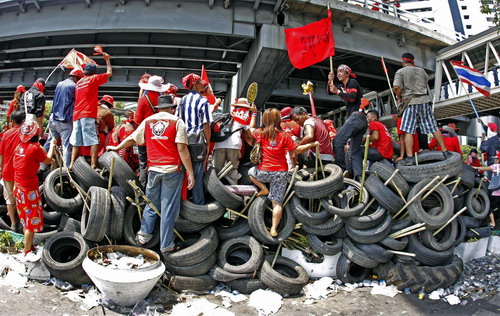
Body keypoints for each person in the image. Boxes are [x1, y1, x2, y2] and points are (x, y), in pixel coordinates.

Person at [107, 94, 194, 257]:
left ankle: (143, 236)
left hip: (153, 169)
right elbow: (182, 149)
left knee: (151, 203)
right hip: (171, 170)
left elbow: (132, 139)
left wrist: (115, 147)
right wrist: (190, 172)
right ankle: (167, 245)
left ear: (158, 108)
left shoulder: (147, 122)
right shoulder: (177, 122)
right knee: (168, 208)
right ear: (171, 108)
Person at [247, 108, 319, 237]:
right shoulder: (284, 135)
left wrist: (253, 113)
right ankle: (274, 229)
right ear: (278, 120)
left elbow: (250, 130)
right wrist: (312, 144)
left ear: (264, 119)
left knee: (251, 171)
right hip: (281, 173)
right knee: (277, 203)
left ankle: (263, 188)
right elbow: (297, 150)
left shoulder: (260, 133)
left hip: (264, 172)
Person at [394, 53, 452, 166]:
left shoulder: (400, 72)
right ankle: (446, 152)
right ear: (412, 61)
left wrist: (399, 96)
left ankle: (410, 158)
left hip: (410, 103)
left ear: (403, 61)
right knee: (434, 127)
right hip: (425, 101)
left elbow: (396, 87)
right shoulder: (422, 71)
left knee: (408, 130)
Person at [13, 119, 57, 260]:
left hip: (18, 189)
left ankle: (29, 246)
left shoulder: (19, 147)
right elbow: (48, 160)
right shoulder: (34, 148)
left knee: (25, 220)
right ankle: (27, 252)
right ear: (36, 134)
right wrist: (52, 146)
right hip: (28, 190)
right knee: (31, 223)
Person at [69, 53, 112, 170]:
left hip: (76, 115)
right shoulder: (93, 79)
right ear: (94, 72)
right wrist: (107, 60)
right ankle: (93, 164)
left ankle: (71, 164)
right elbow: (109, 74)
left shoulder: (78, 83)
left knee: (76, 141)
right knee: (93, 140)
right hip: (87, 114)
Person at [177, 73, 212, 205]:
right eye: (200, 82)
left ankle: (182, 202)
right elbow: (206, 125)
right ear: (195, 84)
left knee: (182, 172)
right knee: (197, 175)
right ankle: (198, 206)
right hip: (197, 142)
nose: (202, 84)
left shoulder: (181, 100)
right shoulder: (203, 101)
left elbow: (178, 121)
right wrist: (208, 144)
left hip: (182, 141)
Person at [328, 64, 367, 181]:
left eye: (341, 72)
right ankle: (358, 178)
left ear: (347, 73)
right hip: (361, 120)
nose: (338, 74)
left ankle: (342, 170)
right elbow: (330, 91)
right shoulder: (342, 86)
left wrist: (338, 92)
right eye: (337, 72)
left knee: (338, 141)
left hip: (356, 117)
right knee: (354, 151)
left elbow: (352, 98)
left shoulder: (352, 82)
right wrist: (330, 80)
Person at [134, 75, 172, 188]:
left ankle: (144, 189)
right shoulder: (164, 100)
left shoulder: (143, 100)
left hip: (146, 138)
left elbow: (137, 120)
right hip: (161, 137)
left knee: (143, 164)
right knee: (158, 163)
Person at [46, 69, 84, 167]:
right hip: (64, 121)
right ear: (75, 77)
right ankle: (65, 169)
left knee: (49, 142)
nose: (79, 81)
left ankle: (41, 166)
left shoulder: (59, 84)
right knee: (66, 146)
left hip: (53, 118)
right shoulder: (74, 86)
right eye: (79, 78)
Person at [212, 98, 256, 182]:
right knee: (232, 172)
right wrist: (254, 114)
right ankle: (233, 192)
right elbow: (250, 133)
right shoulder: (244, 114)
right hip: (234, 145)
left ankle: (215, 191)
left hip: (218, 145)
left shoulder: (226, 115)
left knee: (217, 171)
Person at [0, 110, 26, 232]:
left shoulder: (5, 134)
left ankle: (13, 224)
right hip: (20, 172)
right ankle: (22, 222)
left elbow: (1, 154)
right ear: (23, 120)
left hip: (7, 172)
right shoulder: (25, 133)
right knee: (22, 198)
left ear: (12, 121)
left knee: (9, 199)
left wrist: (1, 169)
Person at [473, 153, 500, 229]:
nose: (494, 160)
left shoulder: (496, 166)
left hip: (496, 193)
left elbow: (486, 168)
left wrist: (476, 167)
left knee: (488, 206)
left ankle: (493, 223)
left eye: (496, 159)